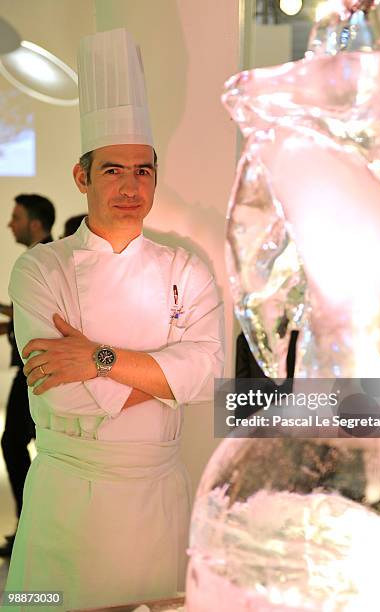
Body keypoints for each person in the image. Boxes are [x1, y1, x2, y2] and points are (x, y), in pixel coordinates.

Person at [5, 28, 223, 610]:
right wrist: (165, 378)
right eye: (112, 170)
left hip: (158, 500)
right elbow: (59, 397)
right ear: (83, 176)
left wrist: (99, 360)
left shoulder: (185, 266)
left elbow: (208, 374)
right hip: (68, 504)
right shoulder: (40, 271)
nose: (130, 186)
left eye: (142, 170)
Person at [0, 194, 55, 557]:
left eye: (16, 217)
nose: (10, 224)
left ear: (35, 223)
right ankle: (30, 526)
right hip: (35, 368)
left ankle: (30, 527)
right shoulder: (45, 259)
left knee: (16, 443)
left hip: (38, 370)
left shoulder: (46, 260)